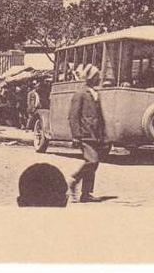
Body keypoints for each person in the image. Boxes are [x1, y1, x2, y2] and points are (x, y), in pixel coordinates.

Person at [67, 64, 106, 203]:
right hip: (84, 133)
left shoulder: (95, 93)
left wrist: (103, 134)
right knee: (92, 160)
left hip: (95, 134)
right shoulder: (80, 94)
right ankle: (73, 179)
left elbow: (100, 116)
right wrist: (76, 135)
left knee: (94, 164)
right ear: (90, 77)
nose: (99, 78)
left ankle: (86, 193)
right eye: (97, 76)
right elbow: (73, 116)